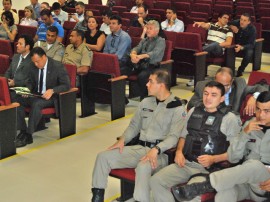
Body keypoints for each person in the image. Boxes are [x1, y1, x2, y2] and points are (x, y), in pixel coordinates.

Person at [91, 68, 187, 202]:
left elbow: (174, 137)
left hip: (159, 155)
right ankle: (97, 197)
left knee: (143, 166)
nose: (147, 84)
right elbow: (134, 127)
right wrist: (122, 140)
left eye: (150, 82)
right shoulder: (146, 102)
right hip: (140, 149)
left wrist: (156, 149)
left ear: (161, 85)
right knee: (103, 157)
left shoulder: (177, 108)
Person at [150, 80, 242, 202]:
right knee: (156, 181)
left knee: (192, 196)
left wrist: (213, 159)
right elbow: (183, 135)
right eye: (205, 93)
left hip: (210, 170)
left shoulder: (230, 118)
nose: (208, 98)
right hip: (187, 163)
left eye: (213, 95)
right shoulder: (193, 111)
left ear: (222, 98)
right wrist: (178, 152)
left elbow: (236, 153)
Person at [172, 90, 270, 202]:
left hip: (264, 187)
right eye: (258, 109)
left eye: (267, 111)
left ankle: (205, 185)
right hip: (244, 182)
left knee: (255, 165)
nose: (261, 115)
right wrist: (244, 134)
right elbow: (233, 158)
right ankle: (209, 184)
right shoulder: (249, 125)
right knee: (224, 192)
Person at [15, 47, 70, 148]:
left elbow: (66, 85)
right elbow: (30, 82)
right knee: (17, 100)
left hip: (51, 97)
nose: (36, 64)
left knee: (37, 104)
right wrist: (27, 89)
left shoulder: (57, 66)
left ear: (44, 57)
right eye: (34, 62)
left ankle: (28, 134)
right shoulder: (33, 65)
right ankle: (22, 130)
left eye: (37, 61)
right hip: (36, 94)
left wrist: (53, 90)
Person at [188, 67, 268, 114]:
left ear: (231, 82)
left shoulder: (239, 86)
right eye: (218, 84)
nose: (221, 88)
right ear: (214, 79)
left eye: (225, 85)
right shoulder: (203, 86)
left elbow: (262, 88)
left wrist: (254, 97)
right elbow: (191, 104)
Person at [129, 20, 165, 100]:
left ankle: (145, 98)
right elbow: (137, 48)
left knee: (142, 76)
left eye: (150, 28)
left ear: (157, 30)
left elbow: (154, 53)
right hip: (141, 64)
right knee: (123, 70)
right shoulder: (145, 40)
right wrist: (134, 54)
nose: (147, 30)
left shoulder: (160, 41)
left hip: (153, 66)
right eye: (147, 28)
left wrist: (141, 56)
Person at [229, 13, 256, 77]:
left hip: (245, 46)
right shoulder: (236, 22)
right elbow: (226, 23)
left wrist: (242, 47)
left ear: (249, 22)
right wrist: (231, 26)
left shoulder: (252, 29)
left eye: (244, 20)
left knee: (250, 52)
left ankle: (241, 69)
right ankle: (229, 68)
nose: (242, 22)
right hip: (234, 44)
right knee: (228, 48)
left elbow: (251, 44)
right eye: (241, 19)